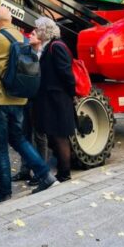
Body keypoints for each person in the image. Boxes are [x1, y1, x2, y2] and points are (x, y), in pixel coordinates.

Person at [0, 6, 59, 204]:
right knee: (19, 139)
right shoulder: (23, 37)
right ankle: (45, 175)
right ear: (10, 20)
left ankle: (4, 191)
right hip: (18, 98)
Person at [32, 16, 76, 183]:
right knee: (55, 136)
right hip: (52, 99)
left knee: (60, 137)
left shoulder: (56, 46)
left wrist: (72, 94)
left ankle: (65, 173)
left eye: (37, 29)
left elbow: (66, 73)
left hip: (58, 99)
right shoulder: (49, 46)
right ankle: (62, 170)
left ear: (44, 31)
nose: (35, 31)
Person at [12, 31, 48, 185]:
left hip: (40, 100)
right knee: (25, 134)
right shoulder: (26, 50)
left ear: (41, 37)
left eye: (33, 33)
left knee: (40, 136)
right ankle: (25, 170)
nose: (30, 35)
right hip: (25, 98)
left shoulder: (46, 54)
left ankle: (41, 173)